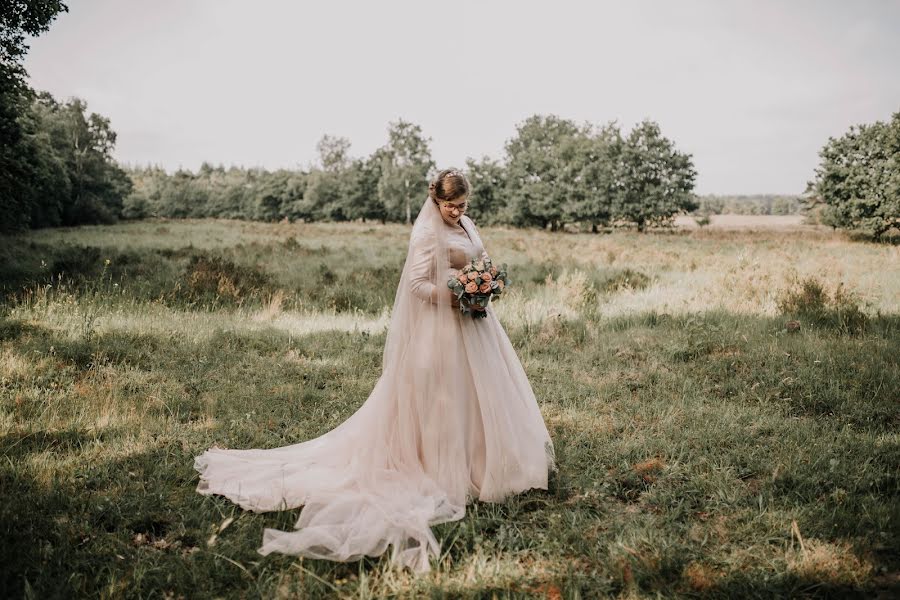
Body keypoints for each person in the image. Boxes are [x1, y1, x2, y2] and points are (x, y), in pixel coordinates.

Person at [193, 168, 557, 573]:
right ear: (436, 200)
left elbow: (481, 259)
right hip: (442, 327)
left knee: (482, 394)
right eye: (451, 206)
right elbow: (417, 285)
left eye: (463, 206)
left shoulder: (468, 224)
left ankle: (486, 464)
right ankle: (442, 467)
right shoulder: (425, 234)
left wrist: (484, 283)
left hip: (477, 322)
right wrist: (456, 297)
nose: (457, 212)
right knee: (444, 397)